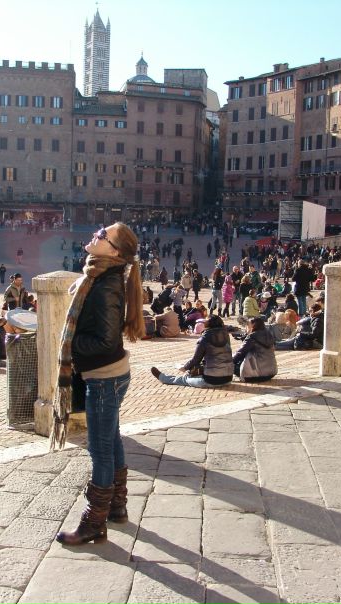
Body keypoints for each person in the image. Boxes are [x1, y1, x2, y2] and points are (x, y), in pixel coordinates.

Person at [55, 223, 144, 546]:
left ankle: (94, 522)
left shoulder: (106, 285)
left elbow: (106, 341)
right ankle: (117, 506)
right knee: (111, 441)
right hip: (110, 375)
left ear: (115, 252)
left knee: (100, 450)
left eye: (102, 235)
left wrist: (71, 346)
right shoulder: (99, 275)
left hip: (105, 377)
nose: (95, 234)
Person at [151, 315, 233, 388]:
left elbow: (196, 360)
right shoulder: (226, 336)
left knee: (185, 379)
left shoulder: (204, 339)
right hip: (228, 379)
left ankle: (163, 378)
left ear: (208, 325)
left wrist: (185, 367)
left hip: (211, 380)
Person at [233, 317, 278, 382]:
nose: (247, 326)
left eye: (248, 324)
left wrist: (230, 362)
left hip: (256, 374)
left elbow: (241, 353)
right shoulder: (268, 334)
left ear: (253, 325)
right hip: (271, 372)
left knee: (231, 363)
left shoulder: (252, 337)